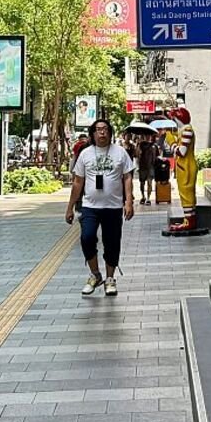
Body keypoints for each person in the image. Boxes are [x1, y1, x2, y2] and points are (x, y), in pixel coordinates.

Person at [65, 119, 134, 296]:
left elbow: (127, 177)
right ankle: (95, 274)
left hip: (113, 206)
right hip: (90, 206)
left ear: (110, 132)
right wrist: (70, 206)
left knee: (112, 242)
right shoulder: (85, 154)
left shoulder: (120, 152)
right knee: (87, 238)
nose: (102, 132)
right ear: (93, 134)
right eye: (98, 130)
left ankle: (110, 279)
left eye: (105, 129)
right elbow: (78, 181)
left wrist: (129, 202)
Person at [169, 108, 199, 233]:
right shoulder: (184, 131)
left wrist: (171, 143)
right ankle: (189, 220)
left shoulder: (187, 131)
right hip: (184, 167)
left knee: (186, 194)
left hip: (186, 167)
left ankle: (189, 222)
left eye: (173, 119)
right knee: (185, 193)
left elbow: (182, 152)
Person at [137, 134, 158, 205]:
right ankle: (143, 196)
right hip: (142, 166)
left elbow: (157, 155)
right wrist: (138, 146)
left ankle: (148, 198)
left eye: (149, 136)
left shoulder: (154, 146)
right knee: (142, 183)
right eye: (146, 136)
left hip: (151, 166)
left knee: (149, 182)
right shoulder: (141, 145)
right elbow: (137, 154)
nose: (148, 137)